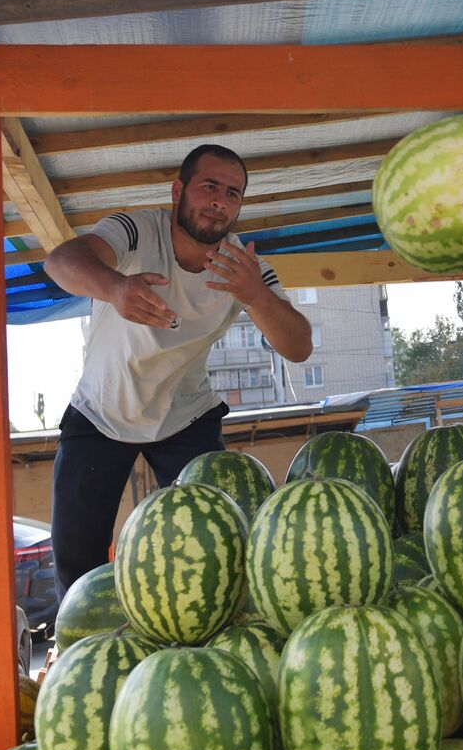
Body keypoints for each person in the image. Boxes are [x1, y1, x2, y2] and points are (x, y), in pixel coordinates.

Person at [45, 144, 313, 594]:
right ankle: (87, 648)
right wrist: (116, 288)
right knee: (76, 560)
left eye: (233, 193)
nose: (220, 202)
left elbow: (300, 346)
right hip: (100, 409)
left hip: (184, 415)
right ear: (178, 190)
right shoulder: (135, 231)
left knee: (221, 546)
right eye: (209, 187)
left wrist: (257, 297)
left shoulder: (245, 268)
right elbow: (60, 262)